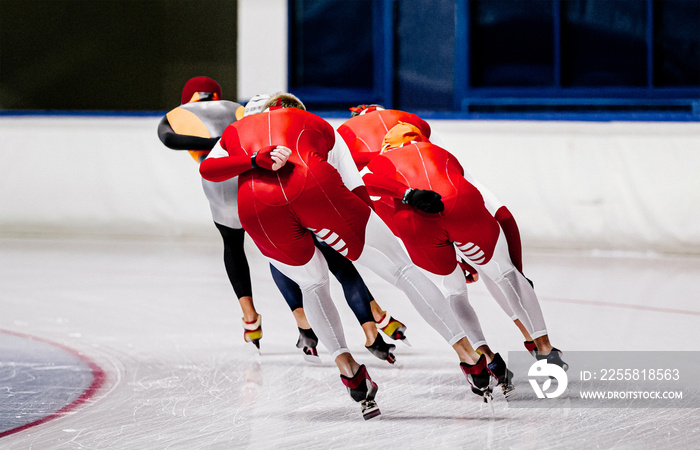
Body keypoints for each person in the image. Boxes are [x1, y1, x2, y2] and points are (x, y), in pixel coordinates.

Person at [199, 93, 512, 419]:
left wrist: (251, 161)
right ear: (296, 110)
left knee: (313, 286)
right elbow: (357, 189)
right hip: (316, 188)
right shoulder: (317, 124)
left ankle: (348, 369)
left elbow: (208, 169)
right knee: (402, 271)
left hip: (258, 209)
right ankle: (468, 355)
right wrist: (374, 232)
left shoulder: (237, 131)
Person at [158, 80, 407, 364]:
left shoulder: (180, 114)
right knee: (328, 254)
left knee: (239, 246)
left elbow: (168, 139)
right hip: (279, 179)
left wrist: (227, 150)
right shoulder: (238, 109)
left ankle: (258, 320)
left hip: (230, 184)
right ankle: (373, 324)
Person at [337, 105, 560, 362]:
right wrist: (518, 269)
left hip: (400, 210)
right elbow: (503, 214)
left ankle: (481, 355)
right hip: (452, 193)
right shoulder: (415, 124)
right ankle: (541, 343)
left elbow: (354, 190)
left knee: (449, 287)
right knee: (501, 270)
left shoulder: (345, 136)